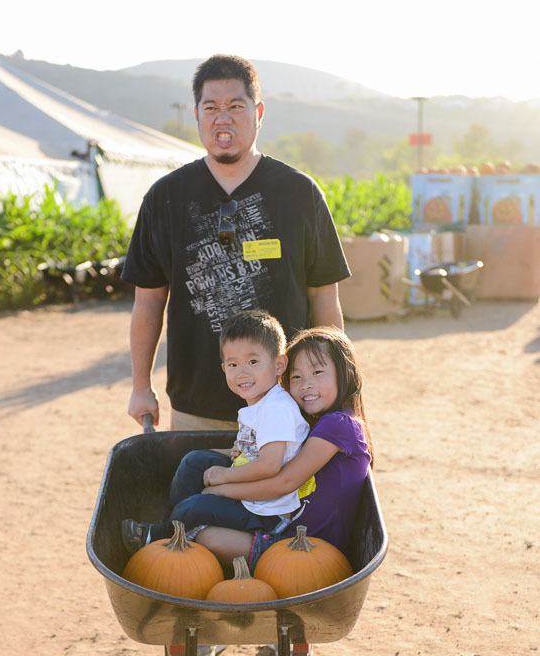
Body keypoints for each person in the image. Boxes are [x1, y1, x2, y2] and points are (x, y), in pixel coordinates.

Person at [121, 53, 352, 432]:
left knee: (281, 492)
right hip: (196, 408)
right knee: (199, 490)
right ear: (196, 114)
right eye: (210, 106)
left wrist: (338, 383)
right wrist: (140, 386)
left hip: (288, 404)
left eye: (235, 106)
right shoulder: (165, 198)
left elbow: (325, 297)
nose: (222, 117)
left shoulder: (299, 193)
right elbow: (148, 302)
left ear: (258, 112)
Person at [121, 310, 309, 551]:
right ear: (224, 369)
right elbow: (252, 451)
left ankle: (160, 538)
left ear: (279, 364)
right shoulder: (260, 403)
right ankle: (170, 525)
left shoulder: (276, 408)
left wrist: (223, 476)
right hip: (252, 492)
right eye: (233, 364)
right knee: (195, 461)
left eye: (253, 362)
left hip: (267, 511)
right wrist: (230, 455)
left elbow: (269, 465)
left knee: (195, 507)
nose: (242, 372)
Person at [195, 325, 373, 571]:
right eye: (296, 376)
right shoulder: (316, 423)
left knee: (207, 536)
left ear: (346, 374)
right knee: (198, 466)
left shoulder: (338, 424)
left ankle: (163, 537)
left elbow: (284, 483)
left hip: (307, 551)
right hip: (287, 532)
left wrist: (221, 489)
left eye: (317, 372)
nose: (305, 385)